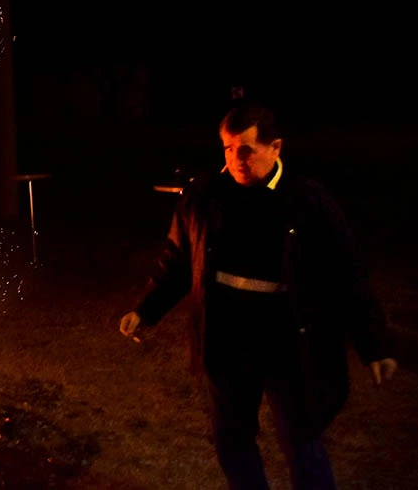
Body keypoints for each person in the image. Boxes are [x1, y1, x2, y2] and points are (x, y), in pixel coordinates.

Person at [119, 101, 397, 490]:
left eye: (247, 148)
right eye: (228, 148)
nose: (236, 159)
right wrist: (146, 310)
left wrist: (374, 345)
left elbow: (348, 274)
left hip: (287, 338)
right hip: (226, 336)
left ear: (275, 147)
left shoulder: (307, 201)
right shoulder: (205, 196)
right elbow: (179, 261)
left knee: (300, 436)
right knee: (231, 437)